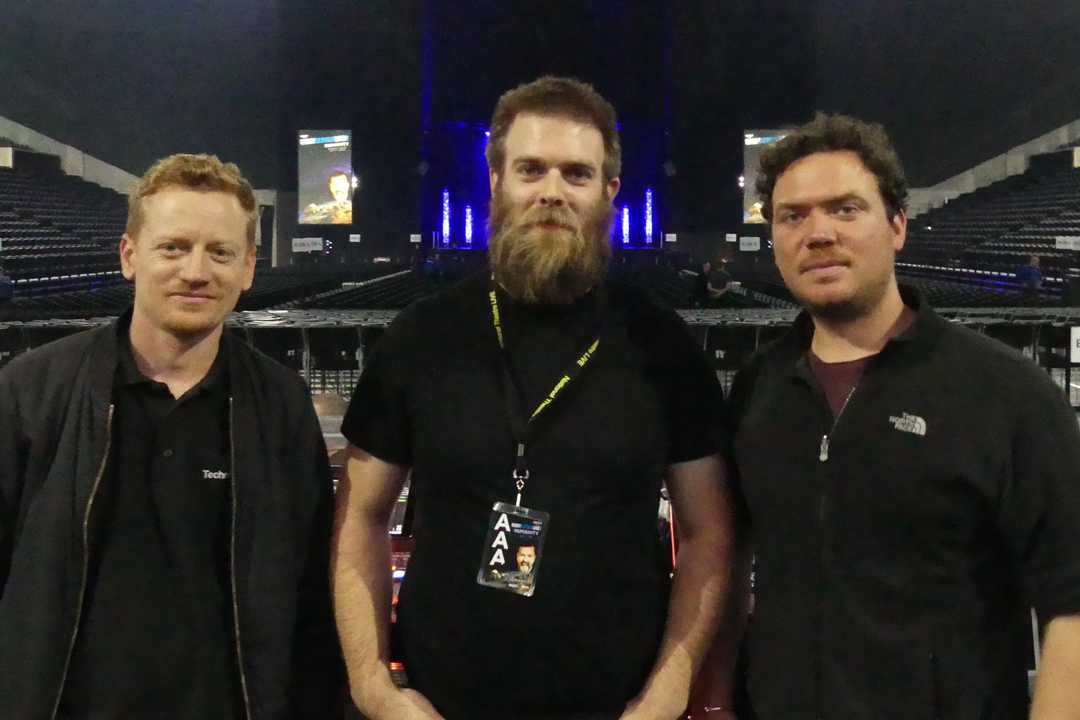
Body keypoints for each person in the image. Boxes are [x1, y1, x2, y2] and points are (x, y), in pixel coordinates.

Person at [332, 76, 739, 720]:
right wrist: (373, 686)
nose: (551, 191)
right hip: (440, 707)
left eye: (577, 174)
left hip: (616, 706)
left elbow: (708, 532)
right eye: (531, 169)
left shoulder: (664, 348)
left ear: (609, 193)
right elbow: (359, 517)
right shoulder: (419, 337)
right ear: (496, 182)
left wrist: (669, 690)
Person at [725, 113, 1080, 718]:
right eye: (793, 215)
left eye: (845, 209)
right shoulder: (759, 389)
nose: (818, 233)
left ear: (897, 226)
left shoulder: (1007, 393)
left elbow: (1070, 606)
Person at [0, 153, 344, 719]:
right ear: (129, 255)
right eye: (174, 247)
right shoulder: (30, 392)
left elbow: (309, 593)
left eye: (221, 252)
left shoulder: (281, 404)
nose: (196, 271)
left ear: (249, 267)